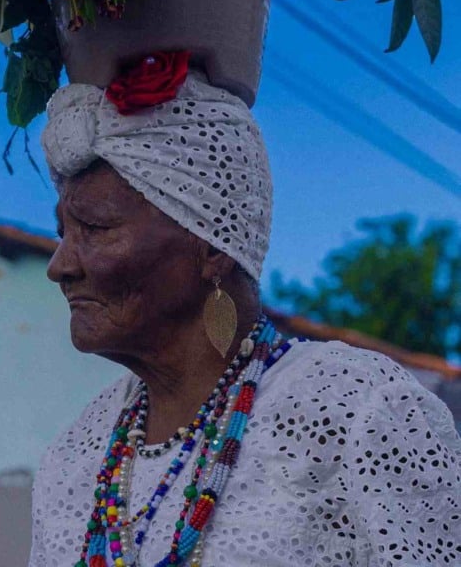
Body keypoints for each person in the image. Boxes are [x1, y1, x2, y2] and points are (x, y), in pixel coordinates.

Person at [30, 62, 461, 567]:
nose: (60, 267)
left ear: (212, 247)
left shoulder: (353, 410)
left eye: (95, 229)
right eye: (64, 232)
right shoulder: (76, 458)